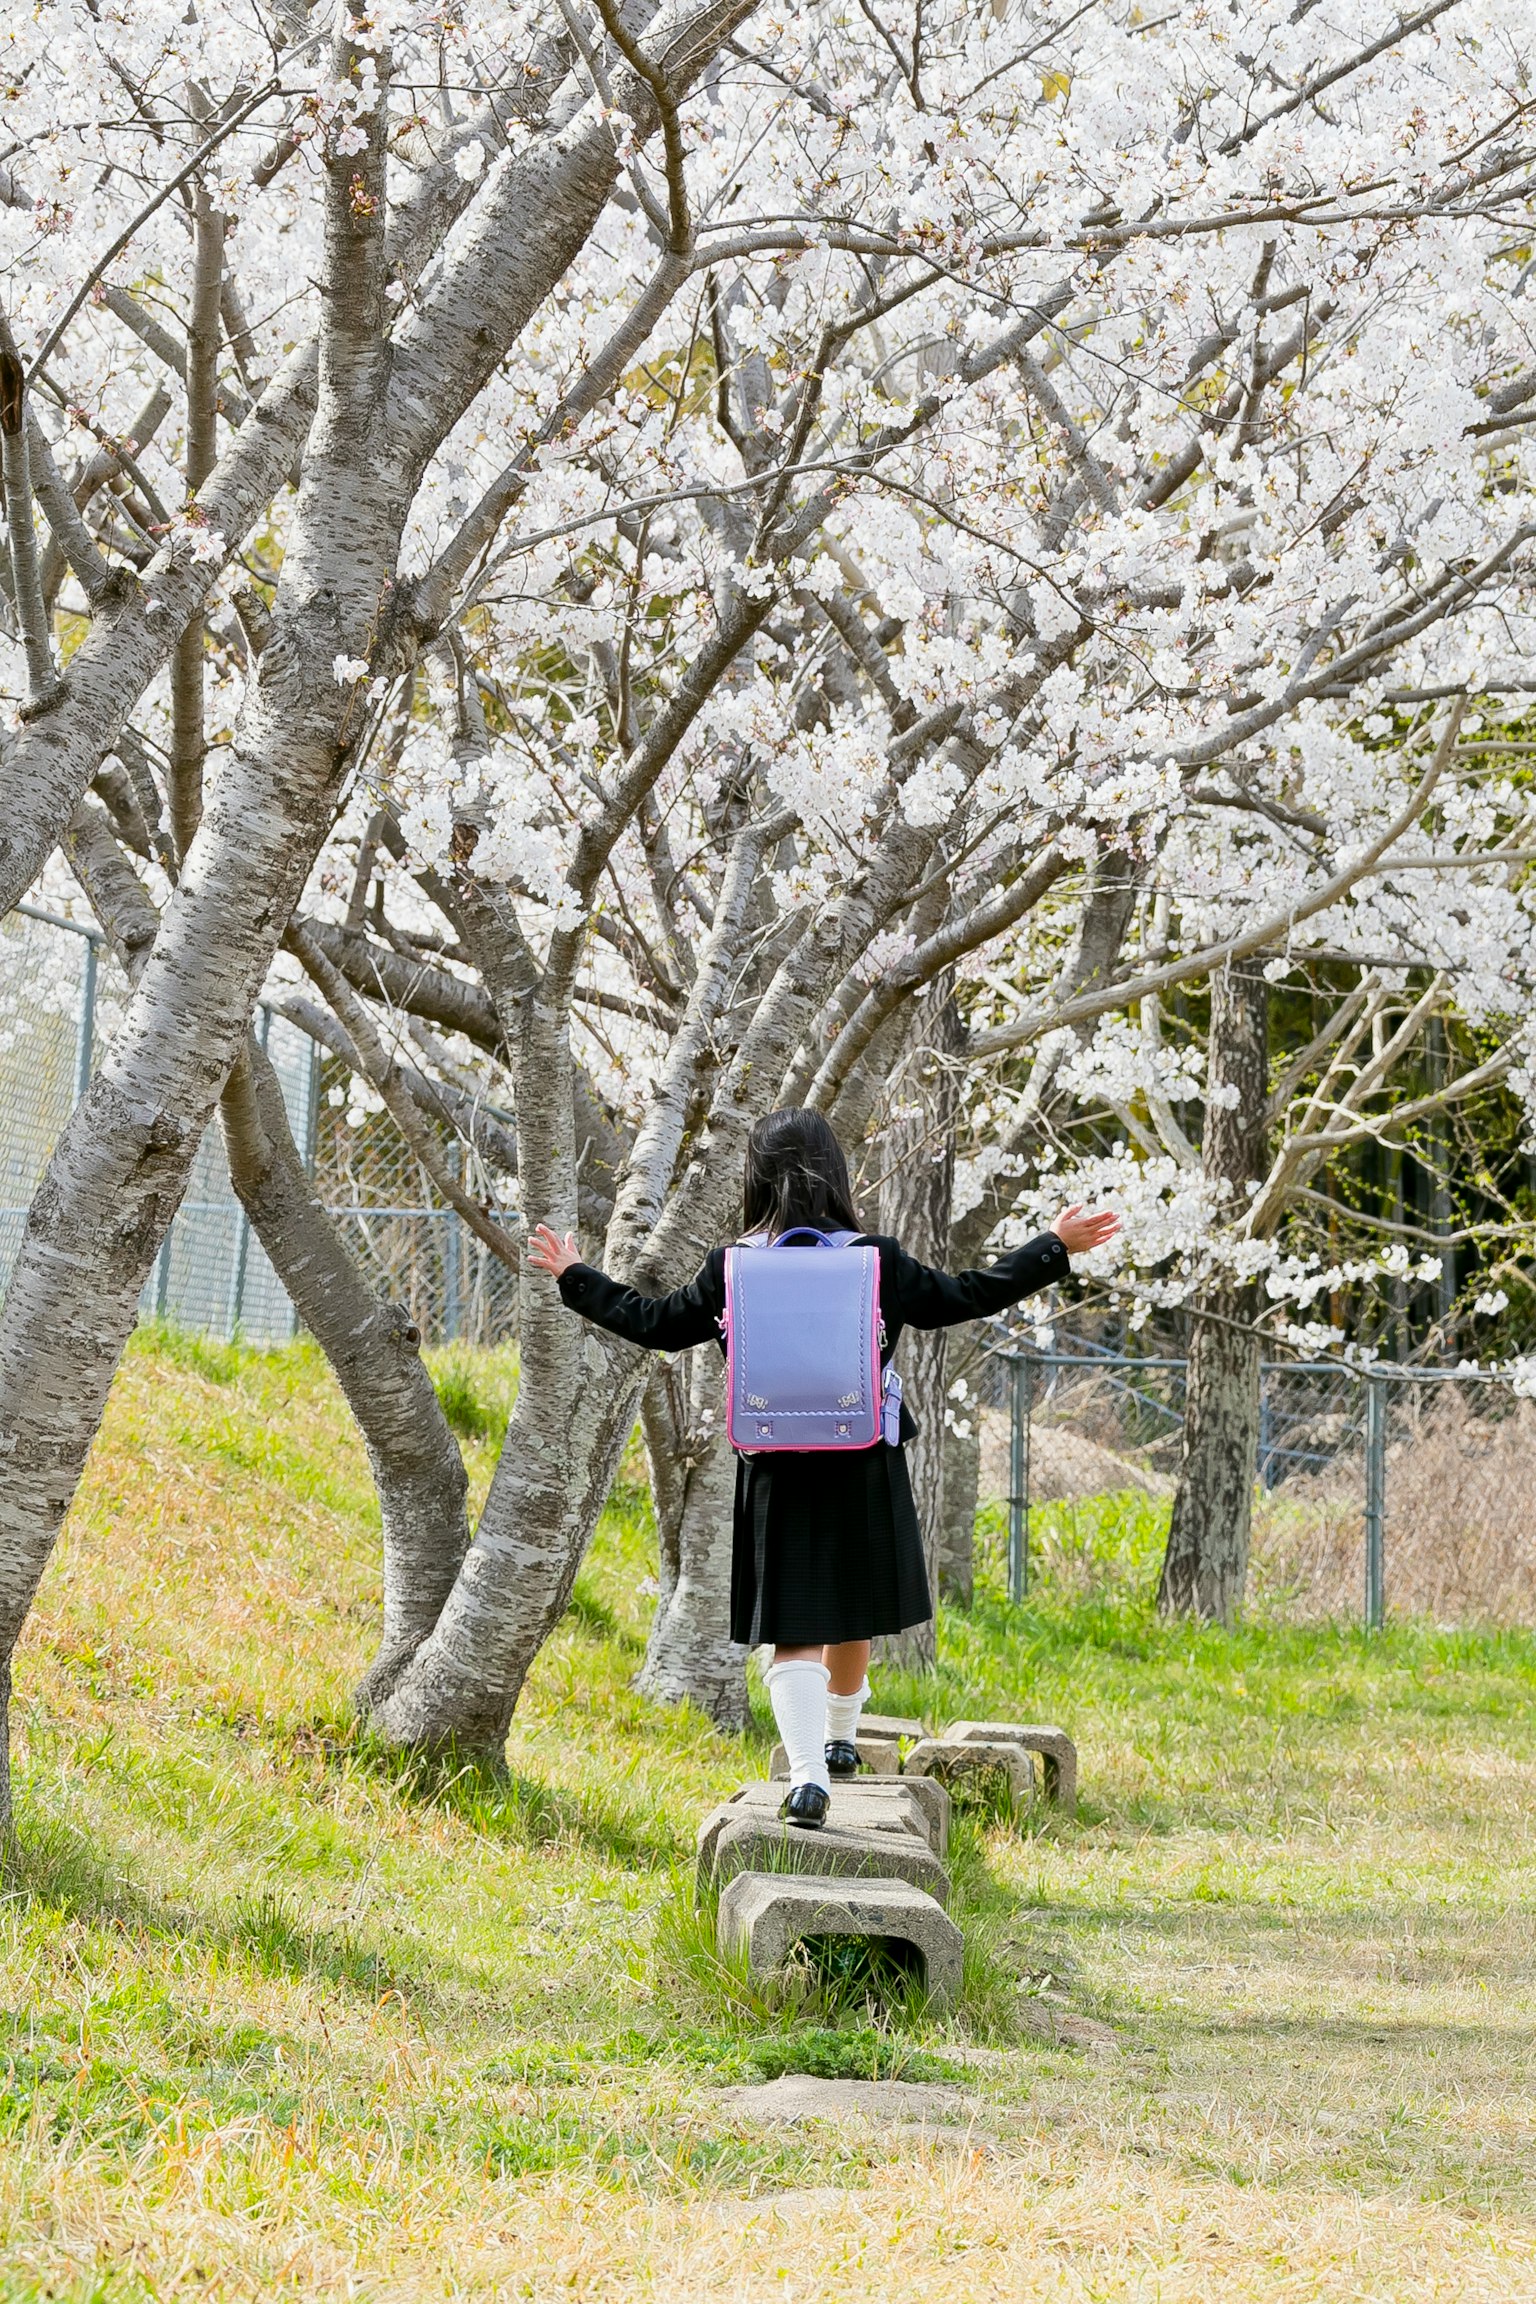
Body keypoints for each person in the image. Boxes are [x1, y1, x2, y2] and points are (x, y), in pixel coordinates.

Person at [528, 1107, 1119, 1827]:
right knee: (855, 1606)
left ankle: (810, 1775)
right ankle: (841, 1739)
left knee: (795, 1627)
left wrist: (575, 1275)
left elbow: (656, 1323)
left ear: (755, 1179)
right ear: (835, 1174)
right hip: (864, 1455)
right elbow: (968, 1294)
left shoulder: (733, 1267)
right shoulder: (877, 1261)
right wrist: (1052, 1245)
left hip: (778, 1462)